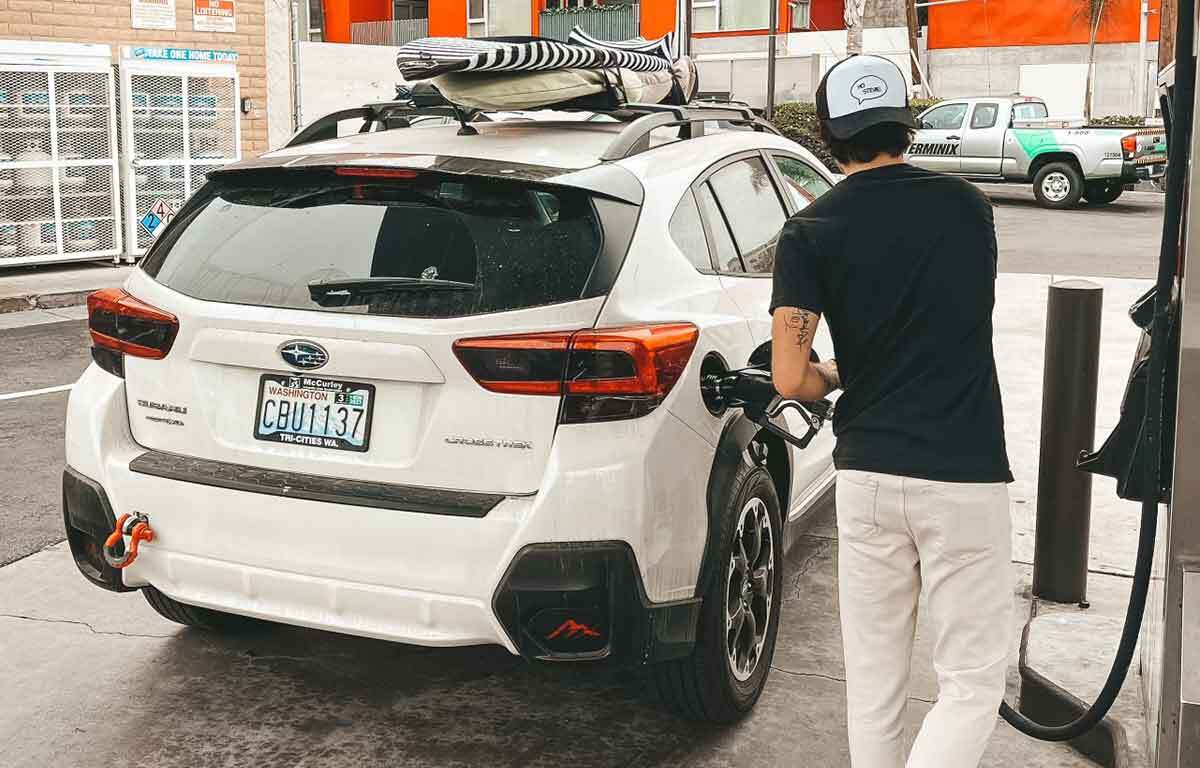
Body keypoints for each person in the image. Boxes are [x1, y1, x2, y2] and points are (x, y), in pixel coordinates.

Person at [769, 54, 1014, 768]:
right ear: (905, 124)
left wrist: (841, 372)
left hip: (870, 474)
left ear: (827, 133)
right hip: (963, 470)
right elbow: (946, 324)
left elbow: (791, 377)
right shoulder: (970, 209)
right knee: (970, 681)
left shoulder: (808, 231)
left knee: (874, 683)